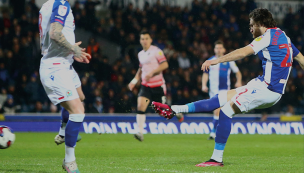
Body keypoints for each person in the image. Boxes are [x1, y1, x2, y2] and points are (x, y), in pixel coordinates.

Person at [152, 8, 304, 167]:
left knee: (226, 111)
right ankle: (174, 109)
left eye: (252, 25)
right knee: (218, 99)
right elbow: (300, 58)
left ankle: (216, 159)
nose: (250, 28)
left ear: (260, 24)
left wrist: (216, 60)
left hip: (268, 89)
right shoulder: (284, 36)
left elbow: (243, 52)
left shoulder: (267, 36)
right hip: (262, 85)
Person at [39, 0, 91, 172]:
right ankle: (69, 161)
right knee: (78, 111)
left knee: (81, 98)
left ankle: (63, 130)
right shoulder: (62, 4)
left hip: (63, 63)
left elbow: (49, 36)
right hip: (55, 67)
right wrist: (73, 49)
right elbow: (54, 33)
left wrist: (69, 52)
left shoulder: (47, 5)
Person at [128, 30, 183, 142]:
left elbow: (165, 64)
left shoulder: (157, 51)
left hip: (158, 86)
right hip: (145, 85)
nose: (144, 41)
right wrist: (134, 80)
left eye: (146, 38)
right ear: (140, 40)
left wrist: (152, 73)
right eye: (142, 39)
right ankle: (140, 132)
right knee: (140, 106)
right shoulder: (140, 54)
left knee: (163, 113)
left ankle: (176, 111)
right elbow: (141, 68)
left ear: (150, 40)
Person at [202, 40, 242, 140]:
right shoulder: (210, 61)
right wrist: (203, 85)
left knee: (218, 111)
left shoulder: (229, 61)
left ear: (223, 49)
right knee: (218, 111)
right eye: (217, 48)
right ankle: (219, 131)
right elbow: (205, 74)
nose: (218, 50)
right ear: (214, 49)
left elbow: (238, 73)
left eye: (220, 48)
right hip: (213, 90)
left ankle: (213, 132)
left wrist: (239, 82)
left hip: (224, 91)